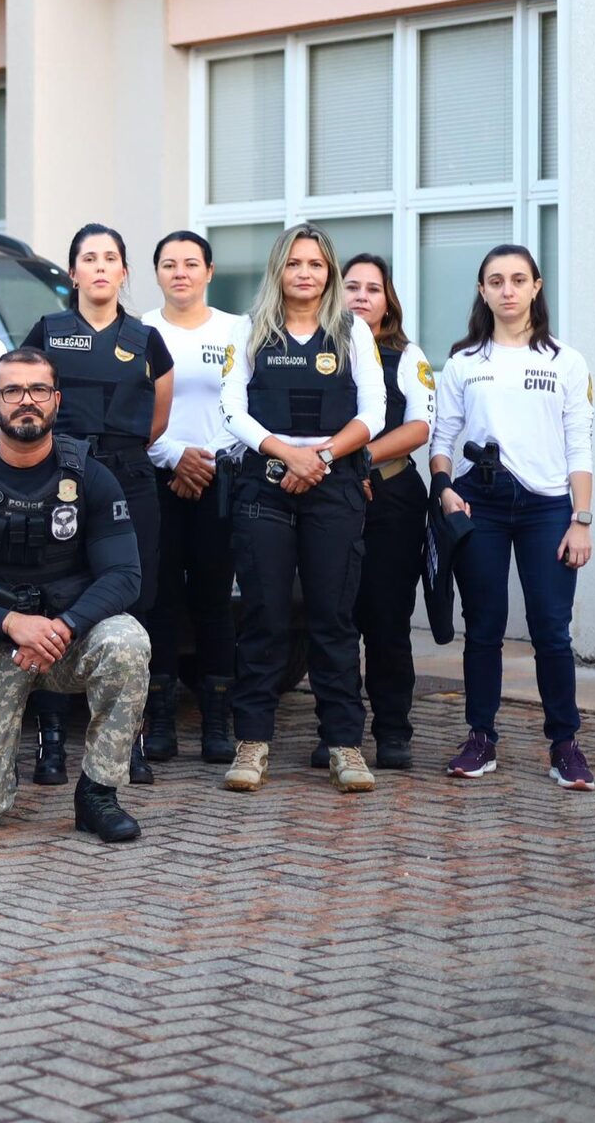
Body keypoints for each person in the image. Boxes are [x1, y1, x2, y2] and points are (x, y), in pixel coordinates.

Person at [0, 349, 149, 842]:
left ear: (56, 400)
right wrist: (12, 624)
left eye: (39, 390)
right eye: (13, 391)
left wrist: (62, 626)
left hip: (66, 637)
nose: (27, 401)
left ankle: (98, 793)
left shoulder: (90, 475)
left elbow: (125, 575)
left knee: (128, 643)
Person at [216, 223, 384, 795]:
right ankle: (253, 744)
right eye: (294, 264)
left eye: (315, 263)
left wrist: (322, 456)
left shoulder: (353, 331)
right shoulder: (250, 331)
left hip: (333, 485)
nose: (305, 273)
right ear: (278, 272)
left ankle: (344, 746)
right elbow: (232, 410)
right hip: (264, 483)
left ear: (329, 272)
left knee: (333, 619)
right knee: (263, 617)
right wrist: (288, 453)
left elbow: (375, 413)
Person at [431, 245, 595, 790]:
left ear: (536, 286)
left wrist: (582, 519)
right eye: (496, 281)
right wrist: (444, 487)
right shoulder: (463, 363)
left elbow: (579, 447)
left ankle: (565, 744)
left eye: (518, 279)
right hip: (481, 504)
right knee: (484, 628)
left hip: (548, 508)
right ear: (482, 291)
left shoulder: (565, 361)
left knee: (552, 629)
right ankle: (481, 738)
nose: (507, 289)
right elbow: (443, 436)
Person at [20, 223, 173, 786]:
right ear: (74, 272)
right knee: (54, 589)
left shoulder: (146, 338)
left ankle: (126, 739)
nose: (102, 266)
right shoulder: (48, 330)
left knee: (134, 598)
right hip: (59, 475)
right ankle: (51, 740)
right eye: (90, 257)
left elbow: (157, 420)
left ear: (125, 272)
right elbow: (28, 397)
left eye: (112, 257)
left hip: (130, 478)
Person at [141, 230, 242, 766]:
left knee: (214, 601)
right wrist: (174, 456)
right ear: (156, 273)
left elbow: (246, 405)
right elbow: (134, 414)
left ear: (209, 271)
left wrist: (201, 461)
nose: (180, 272)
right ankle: (158, 719)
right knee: (159, 599)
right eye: (168, 263)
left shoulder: (238, 330)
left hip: (218, 478)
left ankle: (217, 721)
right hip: (158, 477)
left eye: (190, 263)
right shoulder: (140, 332)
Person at [332, 253, 434, 771]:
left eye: (373, 288)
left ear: (387, 299)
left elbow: (420, 428)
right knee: (336, 619)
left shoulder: (405, 355)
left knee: (388, 621)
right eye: (352, 286)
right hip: (331, 500)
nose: (362, 297)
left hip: (392, 500)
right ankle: (340, 734)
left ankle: (393, 732)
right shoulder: (319, 350)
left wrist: (361, 459)